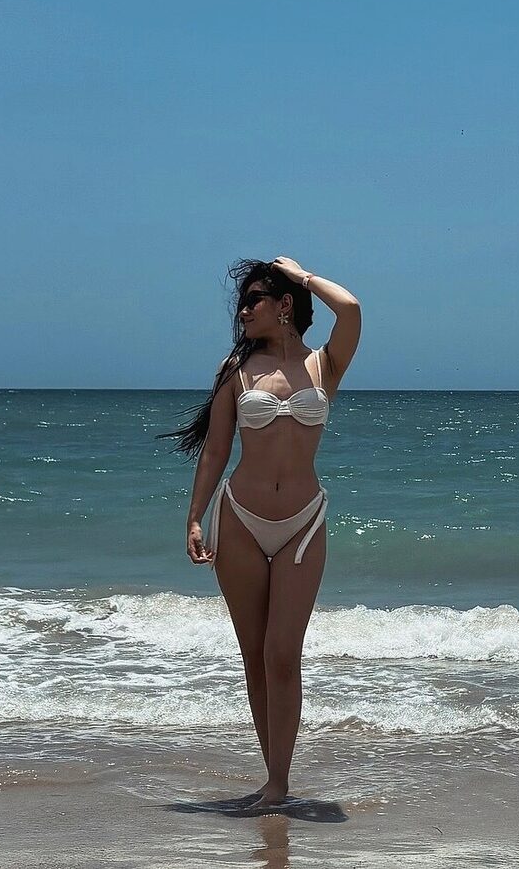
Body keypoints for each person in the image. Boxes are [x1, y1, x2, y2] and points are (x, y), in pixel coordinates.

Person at [158, 256, 361, 810]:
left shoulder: (324, 366)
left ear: (284, 305)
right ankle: (274, 781)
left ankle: (279, 782)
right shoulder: (236, 370)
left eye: (254, 300)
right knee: (255, 656)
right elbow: (216, 449)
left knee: (283, 654)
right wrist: (195, 516)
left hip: (303, 522)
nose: (243, 311)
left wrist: (303, 275)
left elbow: (351, 309)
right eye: (241, 303)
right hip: (241, 520)